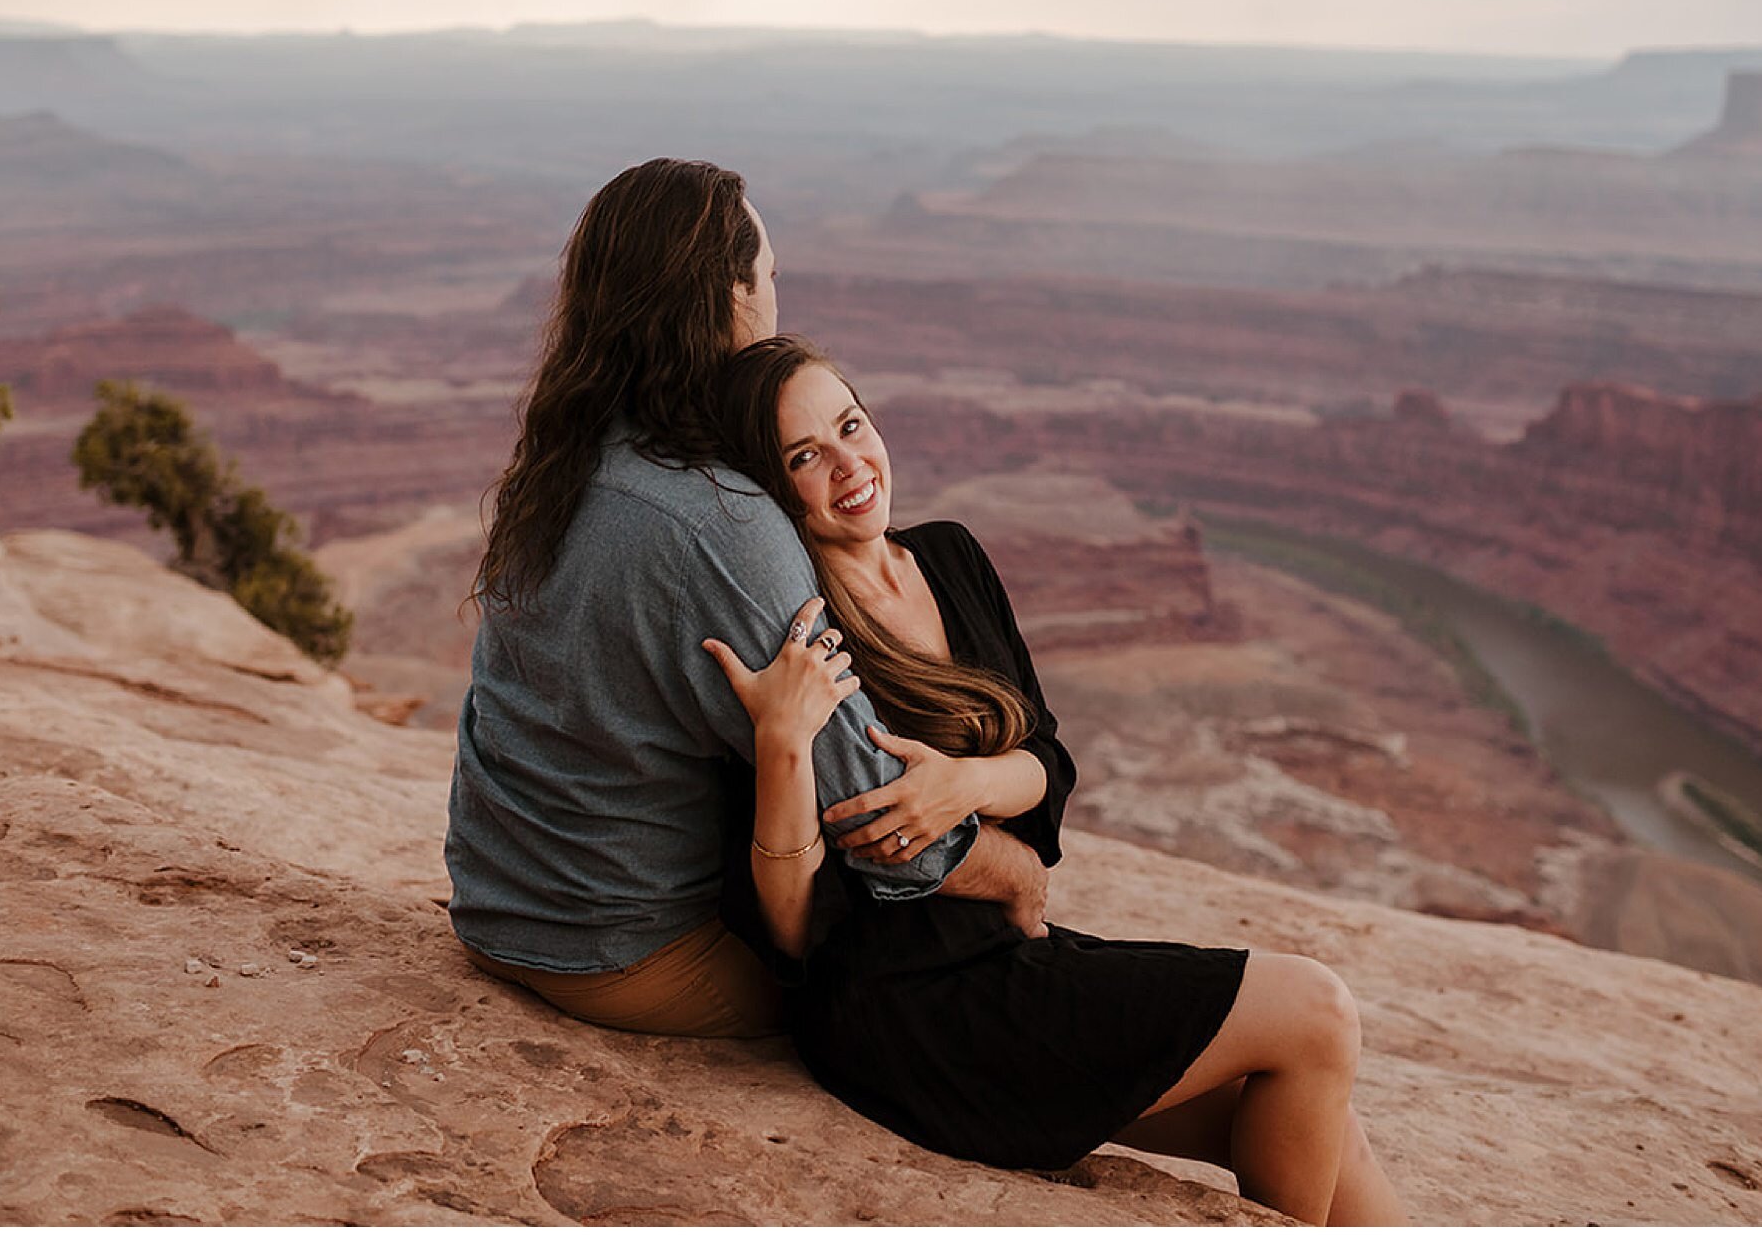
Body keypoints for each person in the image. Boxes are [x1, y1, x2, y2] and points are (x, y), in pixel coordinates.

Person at [703, 334, 1409, 1226]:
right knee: (1314, 1013)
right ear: (772, 493)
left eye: (852, 425)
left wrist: (963, 785)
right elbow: (803, 924)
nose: (850, 465)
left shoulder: (950, 557)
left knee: (1313, 1114)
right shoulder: (801, 639)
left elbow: (1049, 766)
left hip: (1004, 955)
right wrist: (782, 740)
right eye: (806, 456)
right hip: (912, 1013)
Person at [443, 159, 1052, 1039]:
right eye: (768, 275)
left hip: (502, 908)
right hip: (630, 953)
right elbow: (873, 816)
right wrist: (1016, 875)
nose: (776, 294)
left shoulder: (566, 457)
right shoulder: (721, 521)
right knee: (950, 1014)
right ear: (729, 297)